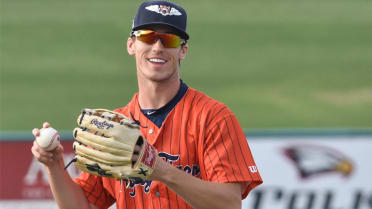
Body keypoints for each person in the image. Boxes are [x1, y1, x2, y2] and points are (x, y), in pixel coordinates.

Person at [31, 1, 263, 209]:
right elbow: (84, 205)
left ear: (183, 51)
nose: (158, 47)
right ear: (131, 45)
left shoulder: (212, 117)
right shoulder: (111, 128)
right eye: (148, 37)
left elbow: (229, 204)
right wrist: (54, 166)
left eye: (169, 39)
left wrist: (159, 169)